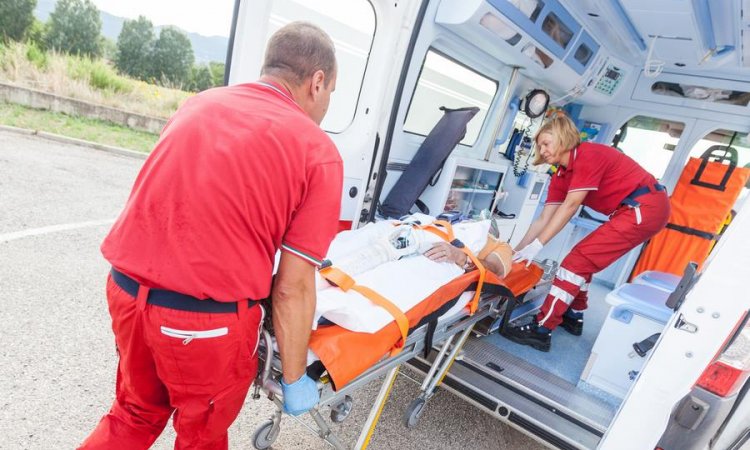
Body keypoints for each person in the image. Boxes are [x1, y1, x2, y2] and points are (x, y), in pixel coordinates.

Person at [78, 22, 342, 450]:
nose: (326, 103)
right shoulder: (317, 151)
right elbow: (292, 289)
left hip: (126, 291)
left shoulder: (199, 104)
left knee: (134, 413)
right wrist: (293, 379)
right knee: (201, 435)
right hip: (202, 326)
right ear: (317, 82)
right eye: (331, 92)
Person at [503, 114, 670, 352]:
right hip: (633, 210)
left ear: (562, 139)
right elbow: (544, 217)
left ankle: (541, 329)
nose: (542, 149)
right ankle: (573, 315)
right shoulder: (560, 174)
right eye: (539, 145)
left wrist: (538, 246)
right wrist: (517, 250)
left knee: (577, 261)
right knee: (584, 260)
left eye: (546, 143)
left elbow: (570, 207)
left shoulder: (588, 155)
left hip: (647, 207)